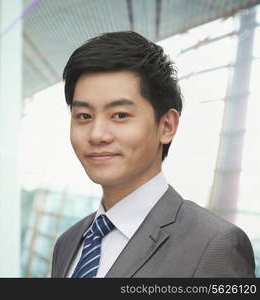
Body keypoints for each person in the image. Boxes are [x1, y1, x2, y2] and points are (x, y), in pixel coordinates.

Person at [51, 31, 255, 278]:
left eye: (120, 115)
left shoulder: (213, 245)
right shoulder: (68, 243)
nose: (96, 135)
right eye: (84, 116)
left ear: (167, 126)